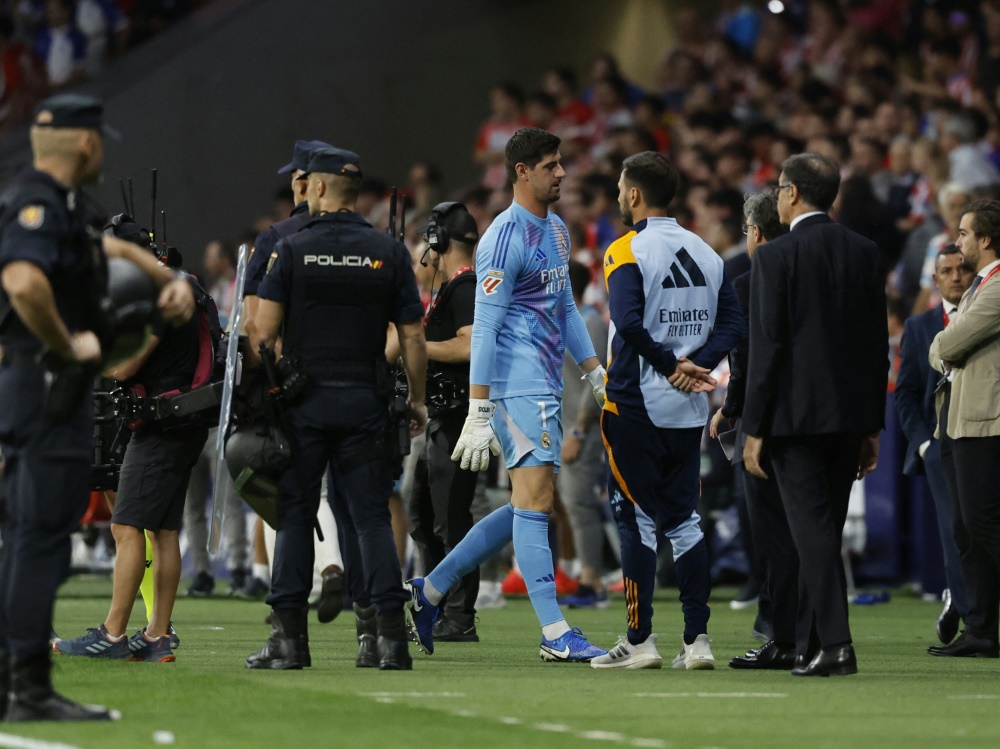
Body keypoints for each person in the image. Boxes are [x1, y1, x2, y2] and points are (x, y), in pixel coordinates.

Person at [0, 93, 193, 721]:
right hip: (46, 385)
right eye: (101, 141)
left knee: (31, 534)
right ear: (87, 143)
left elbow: (102, 250)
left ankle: (16, 677)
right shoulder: (36, 204)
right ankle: (25, 687)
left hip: (41, 386)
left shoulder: (64, 207)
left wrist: (165, 279)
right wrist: (69, 342)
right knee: (40, 540)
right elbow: (23, 282)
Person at [403, 127, 608, 663]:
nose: (561, 173)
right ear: (522, 171)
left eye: (561, 163)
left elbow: (564, 309)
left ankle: (428, 591)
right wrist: (479, 408)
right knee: (538, 501)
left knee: (524, 503)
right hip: (515, 386)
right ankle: (555, 631)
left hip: (543, 385)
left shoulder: (557, 232)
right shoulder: (502, 238)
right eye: (551, 164)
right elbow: (486, 330)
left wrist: (594, 371)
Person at [248, 146, 427, 671]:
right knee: (370, 517)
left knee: (297, 516)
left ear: (318, 188)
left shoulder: (292, 248)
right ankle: (389, 641)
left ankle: (289, 643)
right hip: (366, 401)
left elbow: (262, 332)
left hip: (303, 402)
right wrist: (414, 399)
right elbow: (412, 335)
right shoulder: (390, 251)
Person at [589, 152, 745, 671]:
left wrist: (669, 363)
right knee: (685, 522)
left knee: (634, 519)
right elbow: (733, 326)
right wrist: (696, 366)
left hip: (635, 401)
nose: (616, 194)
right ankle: (697, 642)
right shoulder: (707, 251)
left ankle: (639, 641)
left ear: (634, 194)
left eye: (618, 186)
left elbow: (628, 322)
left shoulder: (625, 250)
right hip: (689, 406)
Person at [742, 152, 888, 677]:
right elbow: (877, 346)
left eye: (780, 187)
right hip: (849, 418)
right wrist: (872, 425)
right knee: (820, 529)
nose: (778, 196)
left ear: (793, 193)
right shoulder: (864, 251)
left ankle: (838, 646)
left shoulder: (774, 258)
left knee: (814, 534)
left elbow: (768, 352)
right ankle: (809, 644)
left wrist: (754, 430)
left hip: (794, 422)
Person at [54, 223, 210, 664]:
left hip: (161, 422)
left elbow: (125, 369)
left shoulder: (160, 296)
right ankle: (157, 634)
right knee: (163, 532)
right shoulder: (187, 287)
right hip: (186, 417)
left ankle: (113, 633)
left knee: (126, 528)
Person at [241, 138, 345, 617]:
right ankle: (352, 587)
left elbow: (255, 325)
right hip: (355, 381)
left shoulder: (277, 238)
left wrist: (275, 377)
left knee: (284, 486)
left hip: (291, 381)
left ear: (307, 182)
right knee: (353, 497)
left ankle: (305, 582)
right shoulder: (366, 240)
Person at [712, 191, 800, 671]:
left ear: (757, 233)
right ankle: (815, 633)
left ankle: (778, 635)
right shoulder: (811, 272)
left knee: (771, 533)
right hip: (816, 419)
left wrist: (735, 409)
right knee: (809, 532)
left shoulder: (748, 282)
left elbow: (747, 359)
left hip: (766, 421)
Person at [406, 202, 482, 642]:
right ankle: (434, 604)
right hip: (443, 419)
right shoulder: (452, 288)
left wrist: (414, 346)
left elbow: (469, 347)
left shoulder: (466, 286)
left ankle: (459, 616)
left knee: (450, 522)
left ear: (438, 241)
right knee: (422, 516)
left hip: (459, 420)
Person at [928, 199, 1000, 658]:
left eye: (965, 233)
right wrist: (943, 347)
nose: (959, 241)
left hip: (985, 420)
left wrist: (942, 346)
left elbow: (950, 342)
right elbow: (943, 349)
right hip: (957, 417)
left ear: (986, 240)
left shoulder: (997, 287)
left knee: (984, 523)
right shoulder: (982, 285)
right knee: (966, 529)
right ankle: (980, 629)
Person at [895, 244, 973, 647]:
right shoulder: (920, 326)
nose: (956, 276)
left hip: (979, 437)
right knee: (953, 528)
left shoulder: (985, 316)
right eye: (948, 270)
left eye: (962, 268)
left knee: (976, 528)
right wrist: (924, 443)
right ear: (936, 279)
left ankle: (961, 600)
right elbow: (906, 394)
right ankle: (973, 618)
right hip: (940, 444)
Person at [556, 259, 611, 610]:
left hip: (582, 429)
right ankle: (584, 576)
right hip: (562, 427)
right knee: (569, 505)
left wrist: (578, 429)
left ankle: (594, 581)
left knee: (580, 503)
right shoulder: (564, 321)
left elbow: (598, 383)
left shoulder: (590, 323)